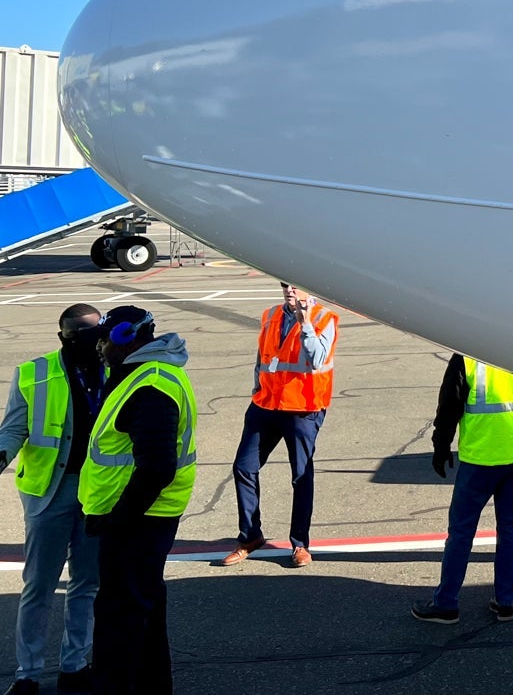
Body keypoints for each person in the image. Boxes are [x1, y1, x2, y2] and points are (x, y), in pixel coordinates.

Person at [79, 305, 197, 695]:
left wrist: (119, 520)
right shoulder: (145, 374)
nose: (99, 349)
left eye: (103, 341)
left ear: (125, 338)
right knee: (143, 611)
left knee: (120, 618)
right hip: (140, 516)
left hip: (139, 519)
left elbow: (158, 467)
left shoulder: (150, 386)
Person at [0, 304, 107, 695]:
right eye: (77, 334)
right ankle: (27, 674)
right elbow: (13, 430)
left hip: (99, 491)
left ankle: (74, 666)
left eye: (94, 333)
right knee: (39, 586)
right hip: (50, 491)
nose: (88, 341)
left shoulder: (116, 369)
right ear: (62, 336)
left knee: (86, 583)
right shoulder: (34, 373)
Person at [412, 355, 513, 624]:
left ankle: (446, 603)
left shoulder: (470, 354)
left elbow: (450, 404)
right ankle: (505, 601)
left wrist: (441, 445)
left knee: (461, 532)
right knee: (511, 529)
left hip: (480, 458)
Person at [221, 281, 338, 568]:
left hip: (302, 409)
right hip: (265, 405)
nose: (290, 290)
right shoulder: (270, 315)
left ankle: (300, 543)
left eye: (296, 286)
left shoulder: (324, 318)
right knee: (244, 467)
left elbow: (317, 358)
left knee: (301, 476)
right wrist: (256, 388)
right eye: (285, 285)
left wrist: (305, 323)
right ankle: (250, 536)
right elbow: (261, 358)